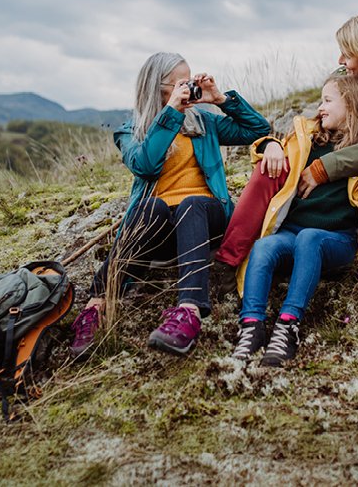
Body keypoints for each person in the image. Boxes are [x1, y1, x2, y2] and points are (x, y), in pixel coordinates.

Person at [216, 11, 358, 331]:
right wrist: (273, 144)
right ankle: (227, 262)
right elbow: (312, 123)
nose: (341, 59)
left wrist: (323, 168)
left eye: (347, 52)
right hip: (340, 177)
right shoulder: (345, 74)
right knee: (270, 165)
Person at [69, 52, 271, 358]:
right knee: (149, 208)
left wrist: (220, 99)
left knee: (192, 203)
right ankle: (96, 308)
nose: (188, 88)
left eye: (189, 81)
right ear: (157, 87)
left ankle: (188, 311)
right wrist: (171, 113)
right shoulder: (130, 131)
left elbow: (258, 130)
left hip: (206, 218)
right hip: (162, 229)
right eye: (180, 83)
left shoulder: (203, 122)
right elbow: (146, 166)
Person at [230, 73, 358, 366]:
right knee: (264, 247)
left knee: (310, 238)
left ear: (351, 105)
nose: (320, 107)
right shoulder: (308, 138)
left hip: (335, 239)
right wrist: (270, 143)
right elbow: (273, 150)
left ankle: (288, 325)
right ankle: (252, 326)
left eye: (327, 100)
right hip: (292, 234)